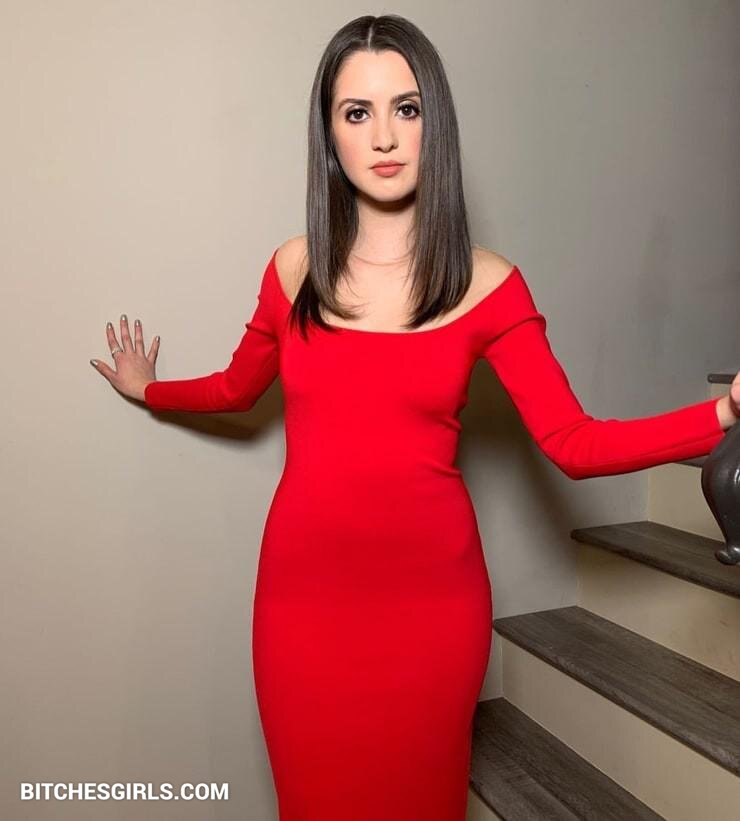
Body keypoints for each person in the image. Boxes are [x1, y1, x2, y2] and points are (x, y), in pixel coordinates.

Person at [90, 14, 739, 821]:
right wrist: (149, 389)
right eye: (356, 112)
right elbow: (233, 388)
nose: (384, 136)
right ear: (329, 133)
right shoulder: (292, 269)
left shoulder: (490, 285)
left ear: (437, 120)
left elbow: (574, 443)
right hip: (303, 605)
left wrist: (723, 410)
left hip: (433, 611)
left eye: (407, 107)